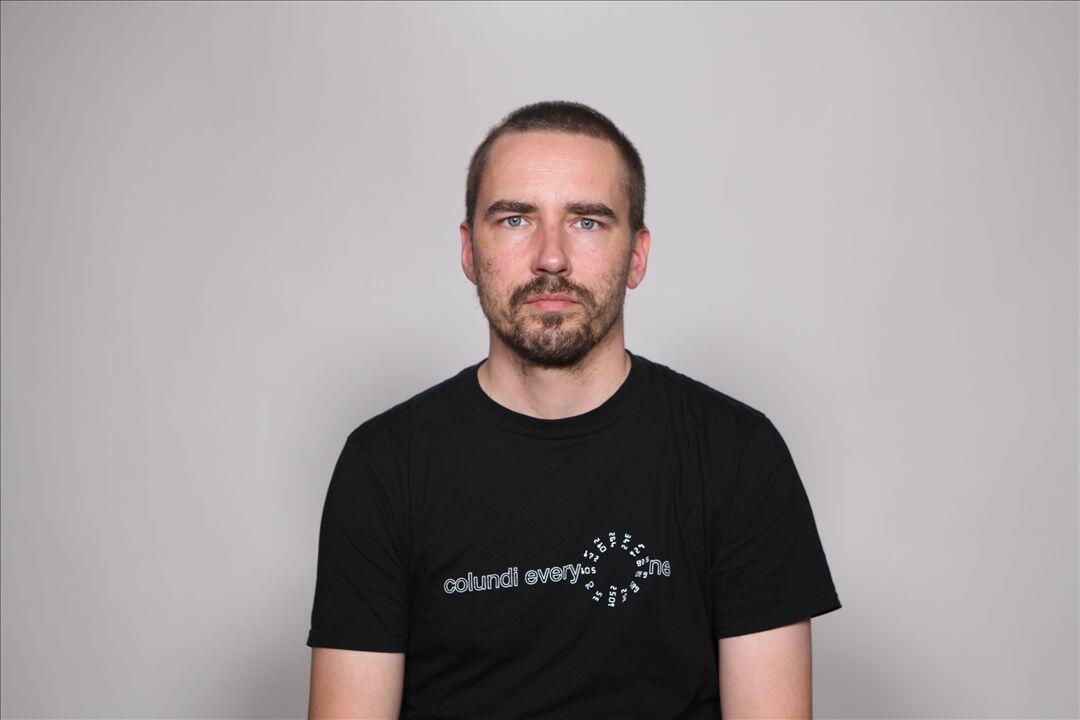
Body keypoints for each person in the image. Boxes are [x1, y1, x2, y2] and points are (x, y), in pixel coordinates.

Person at [306, 100, 842, 719]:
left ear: (636, 255)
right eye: (515, 219)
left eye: (587, 221)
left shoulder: (739, 455)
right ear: (469, 251)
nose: (551, 257)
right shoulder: (384, 465)